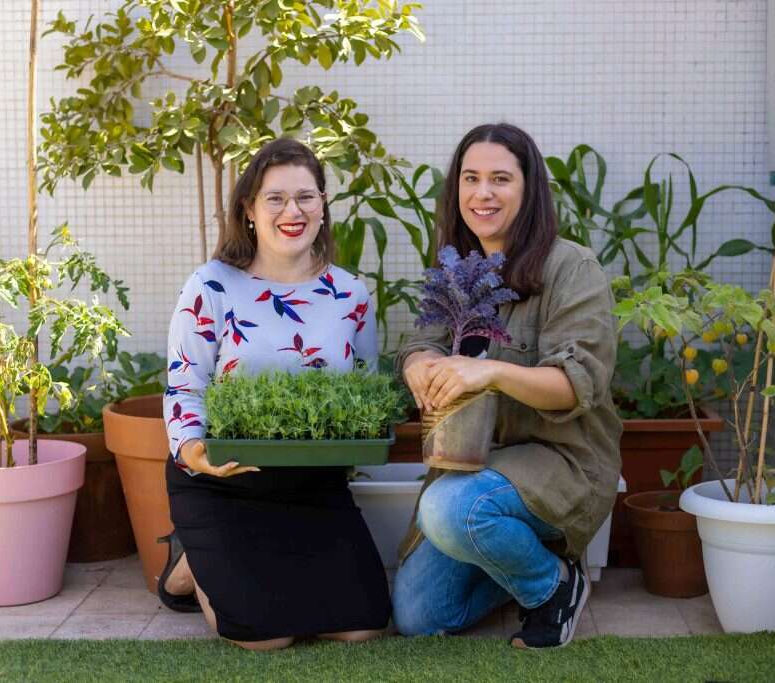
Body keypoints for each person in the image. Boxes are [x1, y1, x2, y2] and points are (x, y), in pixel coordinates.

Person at [392, 123, 622, 649]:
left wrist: (491, 371)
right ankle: (513, 556)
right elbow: (420, 343)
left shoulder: (571, 267)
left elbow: (576, 383)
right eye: (471, 178)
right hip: (472, 468)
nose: (483, 193)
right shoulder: (457, 270)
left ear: (529, 188)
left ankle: (552, 586)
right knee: (419, 616)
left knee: (451, 510)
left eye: (500, 179)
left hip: (561, 462)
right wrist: (419, 364)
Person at [160, 137, 391, 650]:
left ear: (323, 205)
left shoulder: (350, 294)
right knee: (265, 637)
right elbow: (184, 386)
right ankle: (190, 559)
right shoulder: (211, 286)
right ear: (249, 208)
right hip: (224, 481)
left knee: (363, 625)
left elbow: (364, 392)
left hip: (313, 487)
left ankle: (204, 558)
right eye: (276, 199)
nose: (293, 211)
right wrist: (196, 453)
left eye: (306, 197)